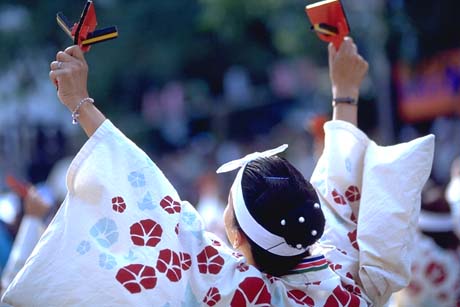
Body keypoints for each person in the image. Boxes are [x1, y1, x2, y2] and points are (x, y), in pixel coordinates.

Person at [1, 38, 434, 306]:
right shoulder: (345, 282)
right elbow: (342, 188)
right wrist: (345, 91)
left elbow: (154, 199)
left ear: (235, 236)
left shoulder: (236, 290)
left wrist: (79, 101)